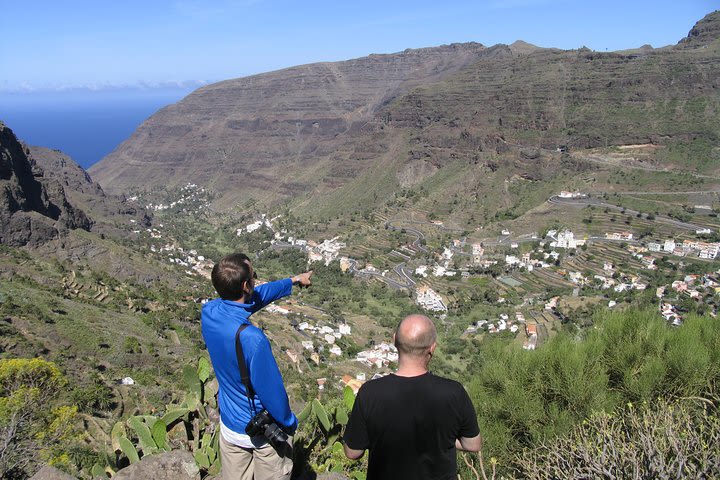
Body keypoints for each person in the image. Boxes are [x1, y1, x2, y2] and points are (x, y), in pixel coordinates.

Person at [201, 252, 312, 480]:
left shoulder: (209, 312)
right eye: (254, 276)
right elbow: (272, 394)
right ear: (245, 285)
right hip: (261, 433)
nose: (256, 281)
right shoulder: (252, 339)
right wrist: (289, 423)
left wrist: (293, 280)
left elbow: (255, 297)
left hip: (230, 428)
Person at [343, 314, 481, 480]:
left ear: (394, 340)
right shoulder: (454, 392)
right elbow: (473, 444)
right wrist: (442, 439)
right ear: (432, 347)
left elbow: (352, 452)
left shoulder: (370, 392)